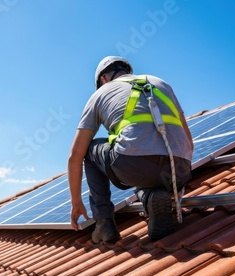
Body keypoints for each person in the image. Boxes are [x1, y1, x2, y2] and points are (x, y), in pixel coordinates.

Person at [68, 56, 194, 242]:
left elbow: (74, 156)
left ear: (103, 79)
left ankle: (104, 223)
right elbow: (188, 140)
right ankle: (151, 196)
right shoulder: (160, 83)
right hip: (180, 169)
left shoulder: (99, 95)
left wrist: (76, 203)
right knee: (140, 153)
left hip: (136, 166)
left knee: (89, 150)